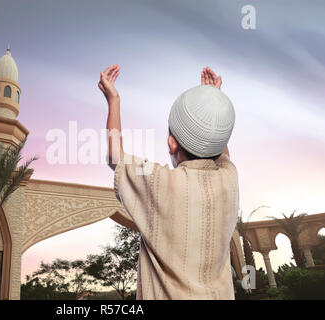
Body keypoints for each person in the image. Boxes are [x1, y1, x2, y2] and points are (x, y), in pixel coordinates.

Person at [98, 65, 239, 300]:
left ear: (171, 144)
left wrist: (113, 100)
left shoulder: (161, 182)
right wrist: (213, 102)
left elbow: (115, 157)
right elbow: (220, 150)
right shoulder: (229, 179)